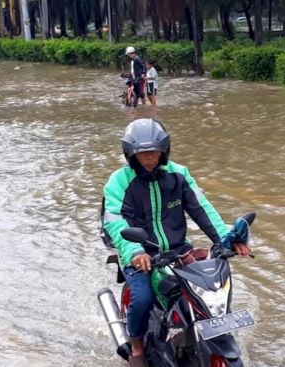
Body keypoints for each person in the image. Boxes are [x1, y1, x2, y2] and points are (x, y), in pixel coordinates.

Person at [103, 118, 251, 367]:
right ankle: (137, 347)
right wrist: (135, 251)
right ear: (131, 155)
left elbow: (202, 209)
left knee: (209, 294)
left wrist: (227, 240)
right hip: (142, 255)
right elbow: (116, 221)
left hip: (178, 251)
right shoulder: (119, 182)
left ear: (164, 151)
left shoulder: (179, 175)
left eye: (155, 153)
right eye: (143, 154)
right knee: (142, 298)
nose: (150, 158)